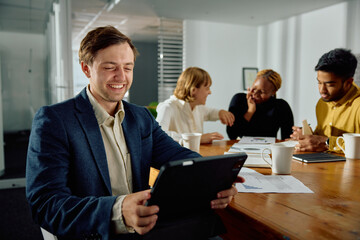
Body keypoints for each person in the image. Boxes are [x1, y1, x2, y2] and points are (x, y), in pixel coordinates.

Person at [25, 26, 242, 240]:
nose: (121, 76)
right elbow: (46, 204)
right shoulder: (55, 120)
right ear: (86, 68)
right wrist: (118, 211)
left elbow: (179, 155)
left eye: (128, 68)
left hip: (147, 227)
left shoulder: (141, 118)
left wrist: (213, 179)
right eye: (110, 67)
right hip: (97, 233)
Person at [291, 48, 360, 152]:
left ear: (348, 83)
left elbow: (324, 141)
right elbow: (321, 138)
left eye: (330, 85)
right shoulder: (322, 103)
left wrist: (327, 143)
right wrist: (308, 136)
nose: (322, 90)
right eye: (319, 82)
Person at [156, 67, 235, 144]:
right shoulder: (168, 107)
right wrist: (197, 138)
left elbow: (210, 113)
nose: (210, 92)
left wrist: (220, 113)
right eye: (207, 88)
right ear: (193, 90)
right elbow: (158, 135)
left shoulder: (198, 107)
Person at [226, 69, 294, 140]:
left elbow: (287, 138)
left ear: (273, 92)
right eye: (254, 88)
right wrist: (250, 111)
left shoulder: (281, 106)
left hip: (268, 150)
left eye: (262, 92)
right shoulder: (239, 100)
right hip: (241, 149)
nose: (255, 94)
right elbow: (232, 135)